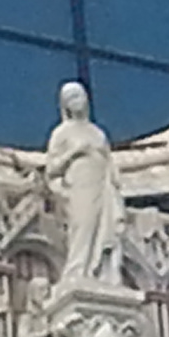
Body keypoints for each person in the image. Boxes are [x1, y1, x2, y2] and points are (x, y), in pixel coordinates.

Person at [45, 82, 126, 288]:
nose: (77, 101)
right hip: (79, 187)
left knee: (106, 229)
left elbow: (108, 161)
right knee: (83, 225)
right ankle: (77, 270)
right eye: (71, 98)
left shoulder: (98, 133)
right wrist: (74, 152)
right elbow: (52, 169)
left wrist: (115, 183)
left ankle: (103, 272)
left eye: (80, 96)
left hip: (103, 186)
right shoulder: (62, 133)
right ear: (65, 106)